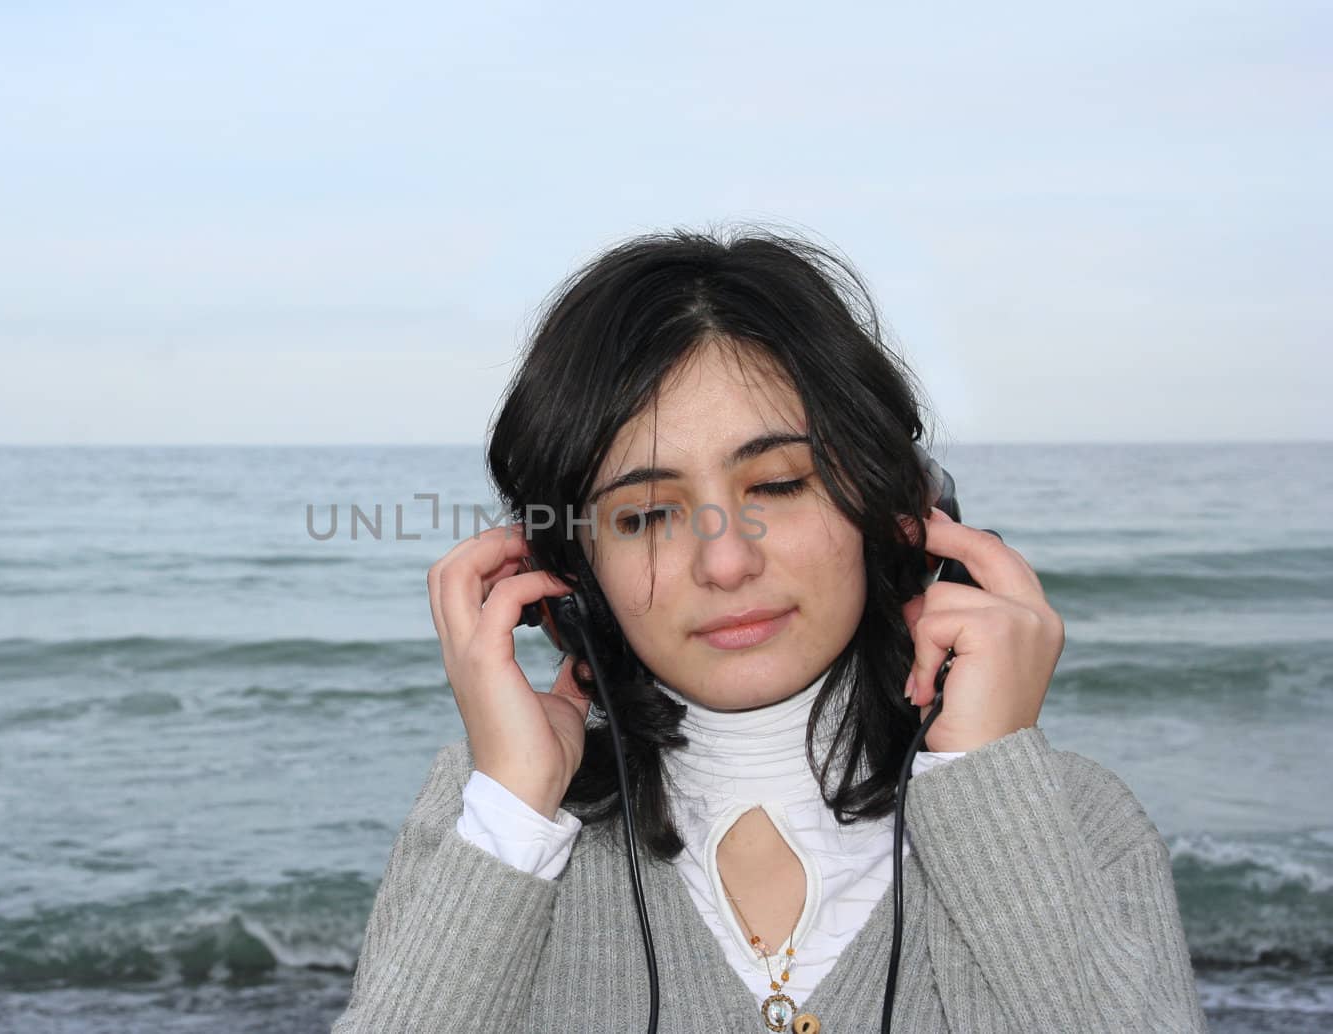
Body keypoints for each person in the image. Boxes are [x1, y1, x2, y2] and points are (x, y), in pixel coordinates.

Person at [332, 228, 1208, 1032]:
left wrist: (988, 783)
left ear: (898, 513)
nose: (724, 565)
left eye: (780, 486)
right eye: (643, 516)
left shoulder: (1080, 825)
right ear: (568, 578)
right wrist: (516, 814)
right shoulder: (482, 829)